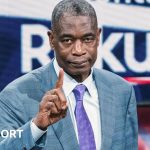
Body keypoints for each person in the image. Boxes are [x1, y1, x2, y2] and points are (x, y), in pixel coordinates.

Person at [0, 0, 138, 149]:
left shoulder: (122, 91)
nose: (78, 50)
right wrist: (37, 127)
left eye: (87, 39)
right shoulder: (14, 96)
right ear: (52, 39)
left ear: (98, 37)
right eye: (67, 40)